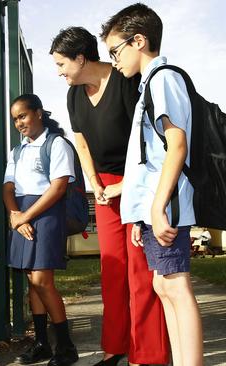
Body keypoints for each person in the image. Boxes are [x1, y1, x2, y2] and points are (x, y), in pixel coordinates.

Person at [50, 27, 168, 366]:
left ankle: (148, 353)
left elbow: (149, 139)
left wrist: (128, 182)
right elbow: (82, 144)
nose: (59, 73)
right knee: (112, 270)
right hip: (104, 187)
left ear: (81, 58)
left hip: (138, 180)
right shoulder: (74, 95)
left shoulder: (125, 80)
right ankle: (116, 346)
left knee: (140, 271)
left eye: (61, 64)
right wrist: (95, 183)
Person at [100, 3, 204, 365]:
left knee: (175, 285)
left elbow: (176, 144)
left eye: (115, 51)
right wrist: (141, 212)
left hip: (167, 204)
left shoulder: (163, 78)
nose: (113, 61)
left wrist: (157, 208)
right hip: (153, 206)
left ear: (139, 41)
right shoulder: (148, 84)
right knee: (162, 284)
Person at [4, 94, 78, 366]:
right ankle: (42, 344)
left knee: (42, 282)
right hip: (22, 214)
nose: (18, 123)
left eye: (22, 116)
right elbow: (8, 187)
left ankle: (66, 348)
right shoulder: (17, 150)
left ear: (38, 113)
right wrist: (15, 215)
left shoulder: (57, 144)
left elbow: (58, 188)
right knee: (31, 283)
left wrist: (25, 216)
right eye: (15, 119)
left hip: (46, 214)